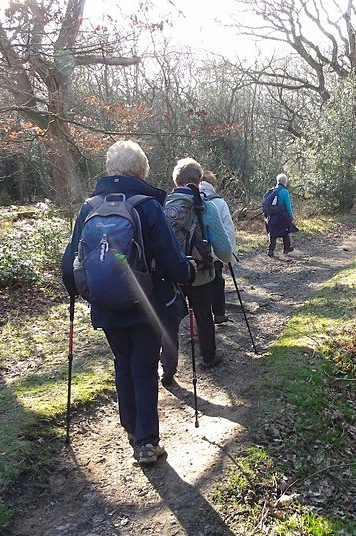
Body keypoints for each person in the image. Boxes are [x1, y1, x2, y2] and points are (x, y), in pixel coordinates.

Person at [61, 140, 196, 466]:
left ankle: (132, 431)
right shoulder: (148, 206)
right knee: (144, 369)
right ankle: (147, 443)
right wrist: (189, 270)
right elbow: (172, 262)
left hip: (105, 304)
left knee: (123, 363)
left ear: (110, 169)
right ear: (141, 170)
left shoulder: (88, 207)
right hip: (146, 304)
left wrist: (80, 291)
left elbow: (69, 264)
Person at [162, 158, 233, 377]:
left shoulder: (162, 205)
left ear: (175, 180)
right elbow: (223, 249)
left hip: (171, 273)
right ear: (199, 180)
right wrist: (223, 257)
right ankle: (209, 356)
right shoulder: (206, 206)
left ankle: (168, 368)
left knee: (169, 320)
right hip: (201, 273)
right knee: (203, 315)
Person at [200, 170, 237, 325]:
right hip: (215, 251)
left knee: (200, 287)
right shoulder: (219, 203)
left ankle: (202, 316)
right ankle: (219, 313)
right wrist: (230, 256)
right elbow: (228, 230)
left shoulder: (186, 200)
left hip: (194, 252)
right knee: (217, 281)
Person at [266, 173, 297, 257]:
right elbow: (288, 205)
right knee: (285, 231)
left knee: (273, 233)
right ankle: (286, 248)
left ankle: (270, 250)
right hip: (282, 215)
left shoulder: (272, 191)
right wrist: (291, 216)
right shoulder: (284, 192)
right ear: (285, 182)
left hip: (272, 216)